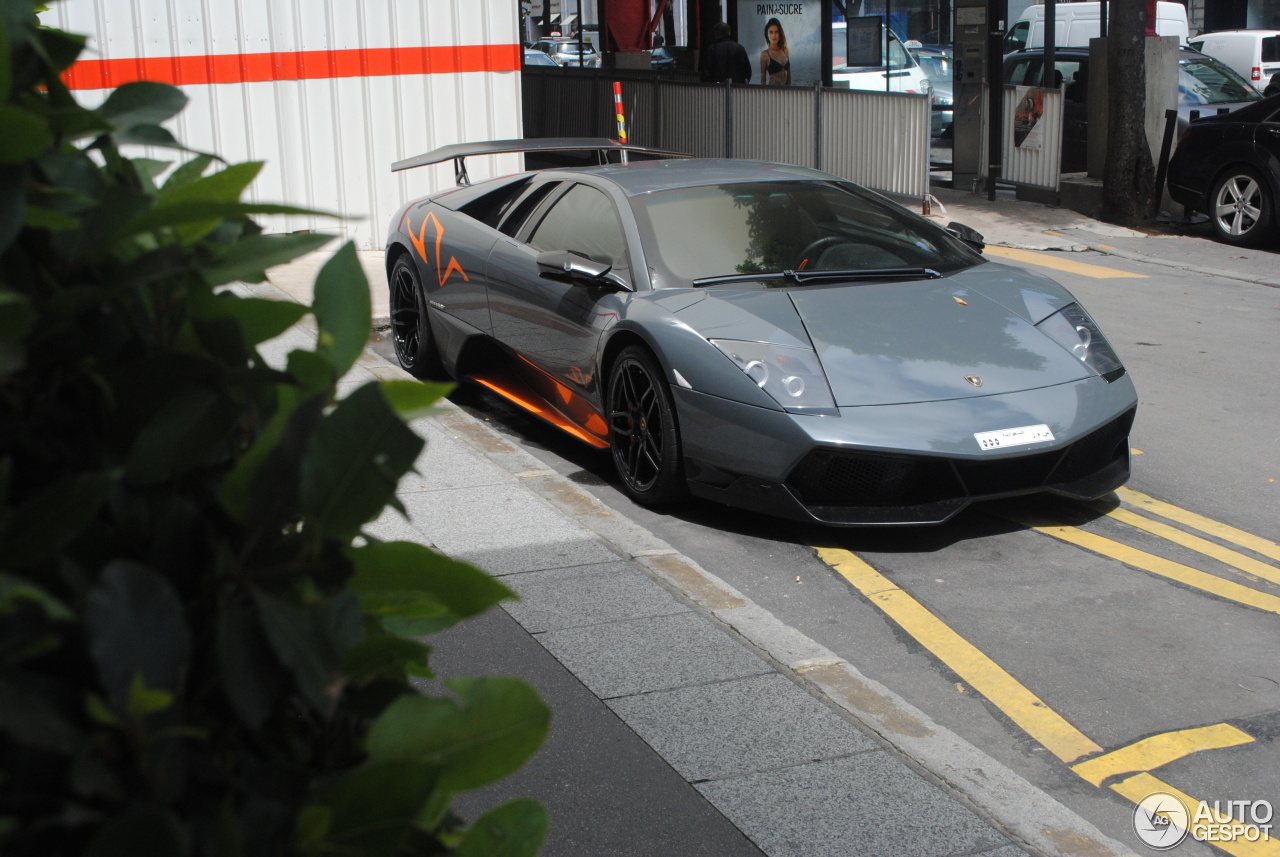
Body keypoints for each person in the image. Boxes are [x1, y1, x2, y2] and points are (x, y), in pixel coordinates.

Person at [759, 17, 791, 86]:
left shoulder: (785, 51)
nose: (774, 35)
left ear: (780, 33)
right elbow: (763, 81)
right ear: (767, 34)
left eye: (776, 32)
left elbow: (789, 79)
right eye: (771, 32)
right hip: (772, 94)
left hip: (785, 93)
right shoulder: (765, 55)